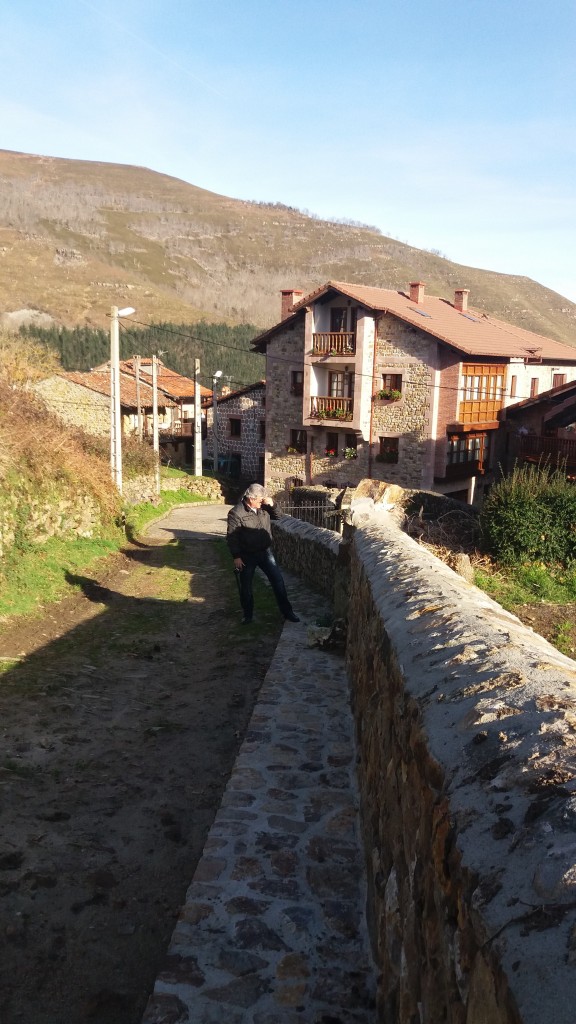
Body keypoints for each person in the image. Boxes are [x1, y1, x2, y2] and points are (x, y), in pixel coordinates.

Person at [226, 483, 299, 625]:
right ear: (251, 498)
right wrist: (236, 556)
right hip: (247, 555)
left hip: (265, 552)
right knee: (246, 586)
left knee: (278, 581)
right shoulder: (236, 512)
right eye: (260, 499)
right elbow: (232, 537)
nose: (262, 501)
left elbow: (279, 516)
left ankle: (287, 612)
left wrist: (272, 504)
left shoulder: (264, 507)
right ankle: (248, 615)